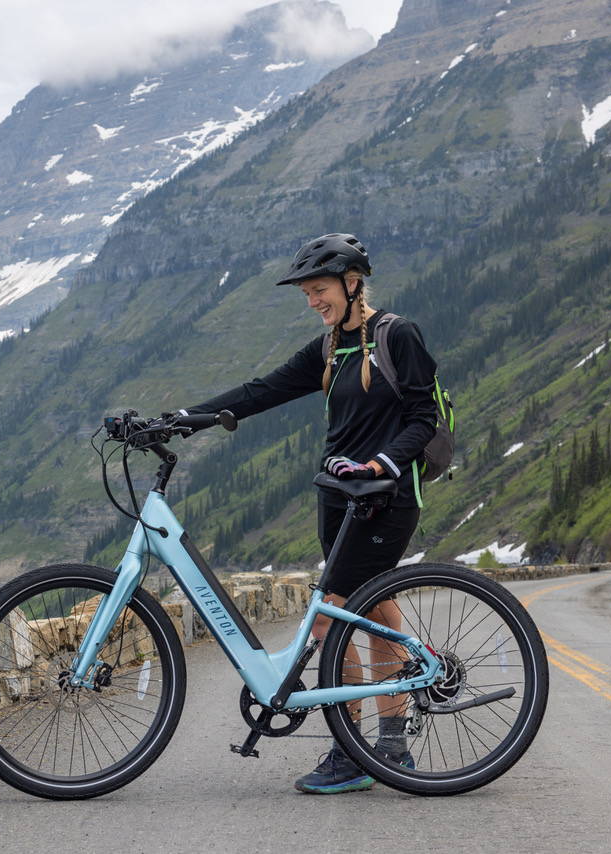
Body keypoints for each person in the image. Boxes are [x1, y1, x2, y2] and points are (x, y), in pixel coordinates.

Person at [178, 233, 440, 793]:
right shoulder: (328, 348)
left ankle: (351, 753)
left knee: (330, 619)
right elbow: (260, 391)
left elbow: (425, 418)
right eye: (306, 293)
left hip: (384, 497)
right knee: (375, 612)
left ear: (352, 283)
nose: (313, 301)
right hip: (338, 500)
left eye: (319, 290)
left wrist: (379, 464)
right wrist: (182, 419)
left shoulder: (398, 336)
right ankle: (391, 747)